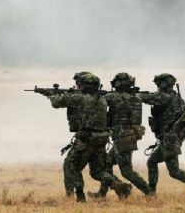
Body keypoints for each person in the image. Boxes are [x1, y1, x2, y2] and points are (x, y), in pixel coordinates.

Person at [47, 72, 129, 202]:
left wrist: (52, 94)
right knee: (97, 172)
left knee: (70, 165)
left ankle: (75, 196)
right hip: (101, 138)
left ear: (84, 86)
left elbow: (56, 103)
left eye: (79, 84)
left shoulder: (80, 98)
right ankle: (118, 185)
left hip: (86, 139)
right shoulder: (102, 100)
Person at [138, 73, 185, 195]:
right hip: (171, 137)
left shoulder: (164, 97)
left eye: (158, 83)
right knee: (152, 162)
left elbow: (145, 98)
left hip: (170, 138)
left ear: (163, 84)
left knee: (174, 171)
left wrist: (131, 94)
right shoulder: (178, 98)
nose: (157, 86)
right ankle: (151, 192)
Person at [98, 72, 154, 196]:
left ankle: (149, 192)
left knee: (127, 171)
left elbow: (98, 100)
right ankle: (105, 193)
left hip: (122, 137)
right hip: (129, 135)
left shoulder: (114, 97)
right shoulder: (137, 97)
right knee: (106, 163)